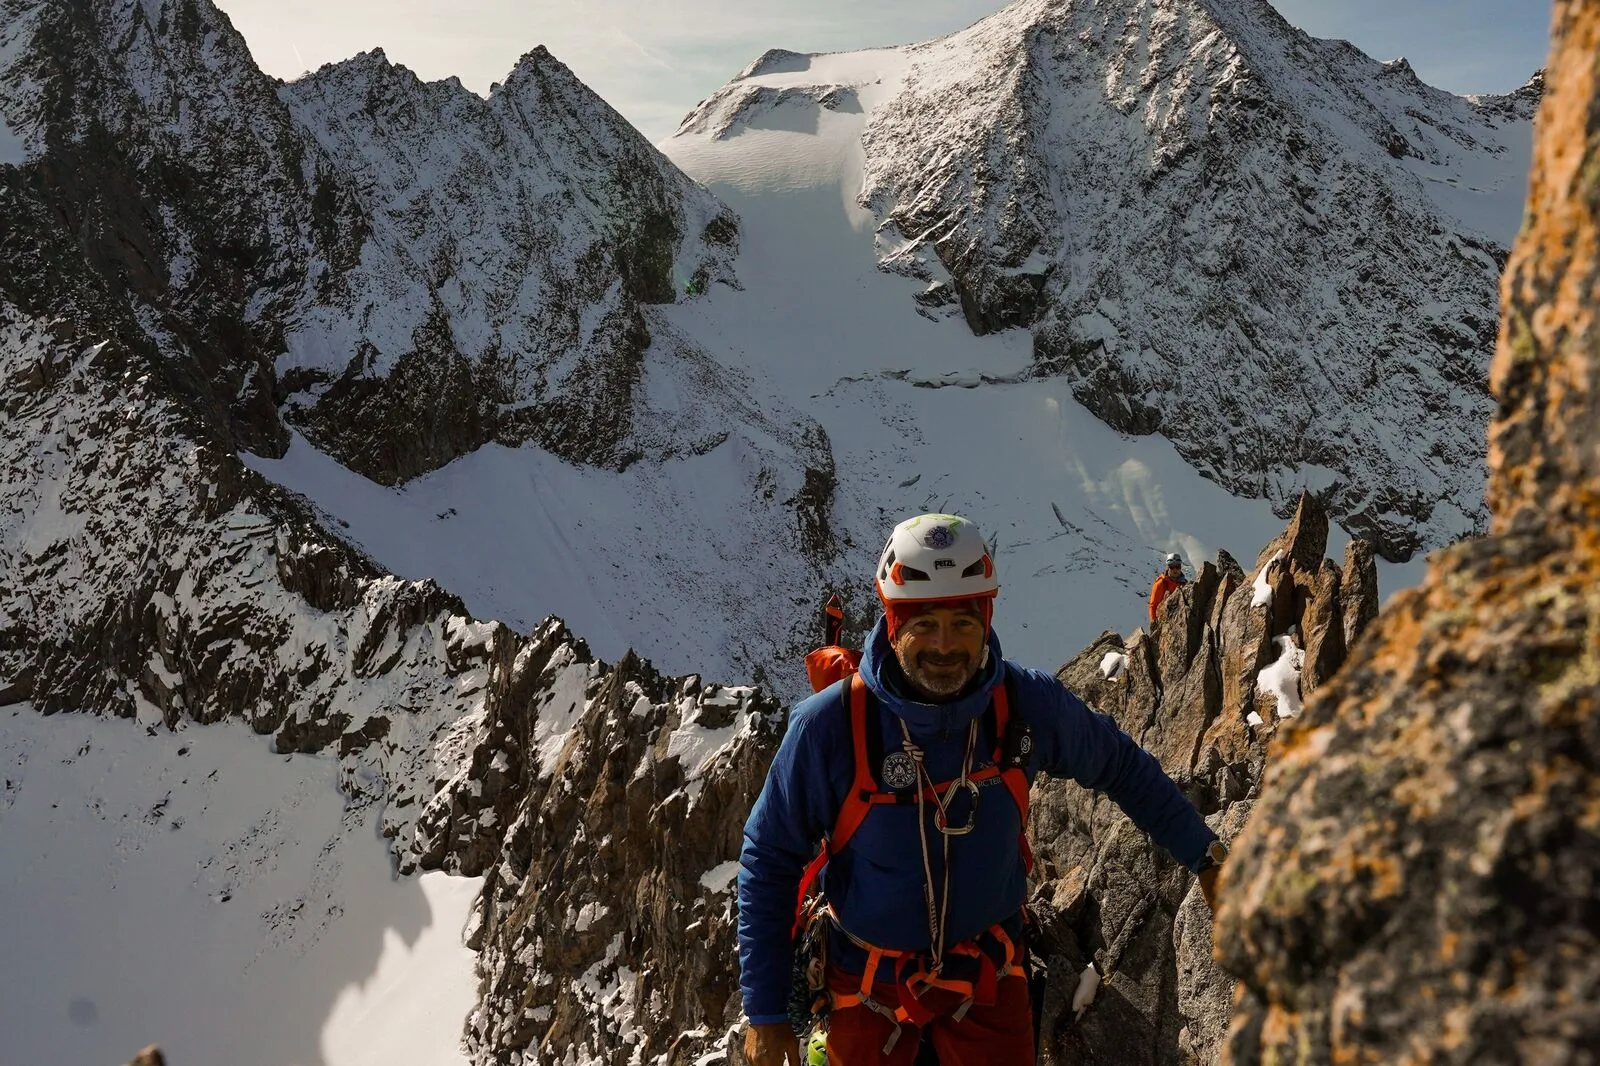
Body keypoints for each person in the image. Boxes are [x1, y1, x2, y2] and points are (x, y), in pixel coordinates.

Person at [739, 514, 1226, 1066]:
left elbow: (1121, 767)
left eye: (962, 623)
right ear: (893, 622)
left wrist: (1206, 858)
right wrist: (766, 1013)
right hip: (870, 995)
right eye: (924, 623)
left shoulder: (1024, 705)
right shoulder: (830, 727)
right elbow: (769, 858)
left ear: (986, 619)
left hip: (986, 988)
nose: (944, 646)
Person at [1148, 552, 1188, 623]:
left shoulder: (1185, 584)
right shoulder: (1161, 584)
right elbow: (1153, 606)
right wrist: (1154, 624)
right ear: (1167, 567)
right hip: (1164, 622)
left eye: (1177, 566)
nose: (1175, 569)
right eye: (1172, 567)